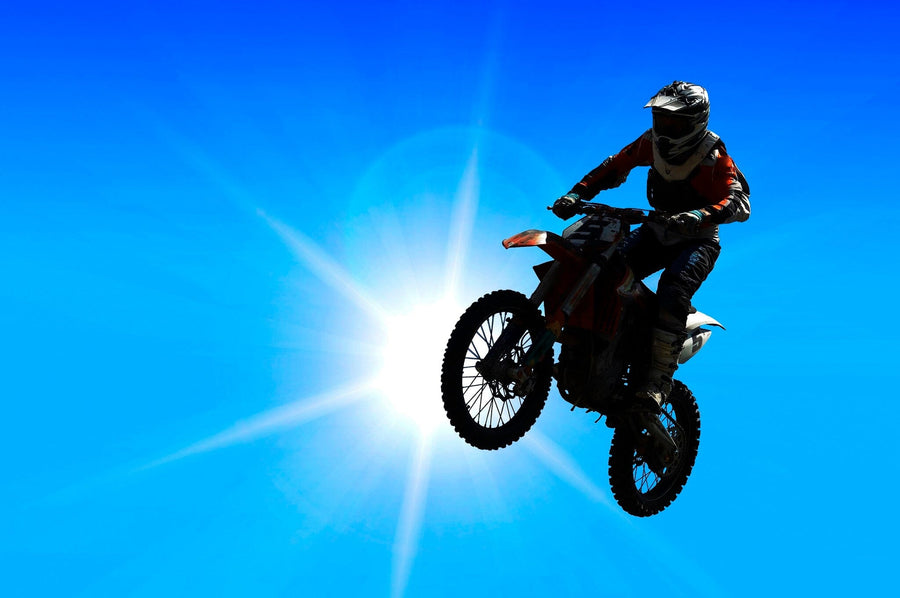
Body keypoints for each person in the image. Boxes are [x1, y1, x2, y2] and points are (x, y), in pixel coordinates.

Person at [552, 81, 750, 409]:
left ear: (695, 122)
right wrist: (577, 193)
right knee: (606, 269)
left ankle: (658, 380)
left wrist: (699, 215)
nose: (666, 127)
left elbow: (739, 201)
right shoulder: (650, 142)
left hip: (698, 240)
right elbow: (615, 165)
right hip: (656, 229)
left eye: (675, 121)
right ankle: (595, 346)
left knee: (672, 290)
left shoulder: (713, 157)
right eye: (661, 118)